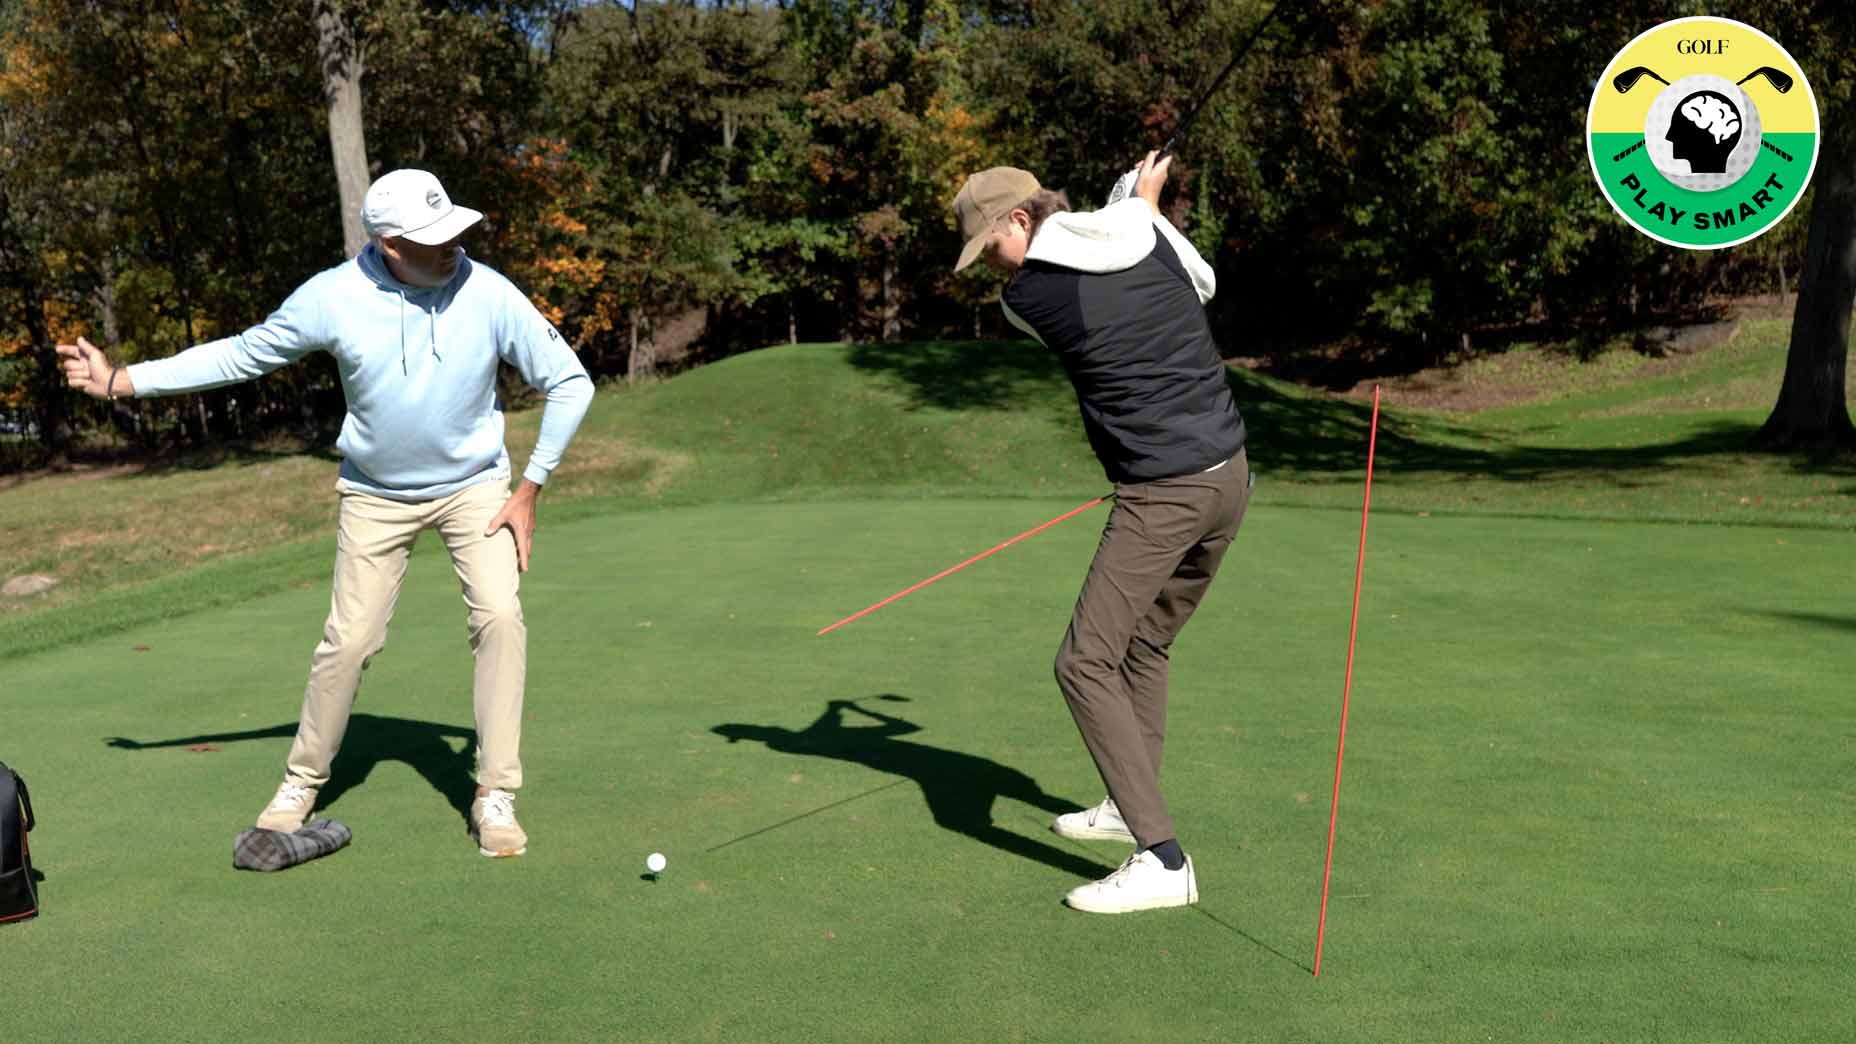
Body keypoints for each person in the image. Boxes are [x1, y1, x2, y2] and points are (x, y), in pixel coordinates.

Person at [57, 169, 594, 858]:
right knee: (350, 641)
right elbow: (244, 354)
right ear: (388, 243)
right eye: (434, 238)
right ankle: (300, 784)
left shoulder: (486, 291)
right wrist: (121, 381)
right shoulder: (332, 298)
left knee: (500, 617)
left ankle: (495, 793)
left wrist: (532, 486)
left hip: (475, 487)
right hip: (375, 492)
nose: (454, 245)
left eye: (455, 228)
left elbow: (571, 382)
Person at [949, 152, 1252, 913]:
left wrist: (1132, 204)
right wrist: (1142, 203)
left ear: (1020, 221)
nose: (996, 268)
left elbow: (1090, 243)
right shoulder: (1147, 237)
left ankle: (1162, 860)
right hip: (1228, 478)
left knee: (1083, 661)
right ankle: (1128, 806)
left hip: (1164, 491)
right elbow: (1198, 277)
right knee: (1144, 645)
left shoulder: (1031, 298)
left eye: (992, 247)